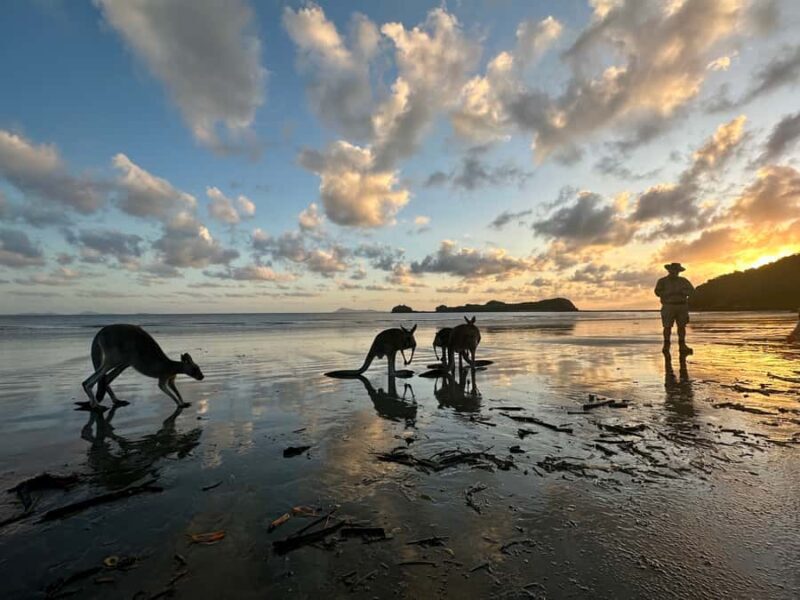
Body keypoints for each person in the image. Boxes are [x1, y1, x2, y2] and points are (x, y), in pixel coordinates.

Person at [654, 262, 694, 356]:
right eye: (673, 270)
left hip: (682, 305)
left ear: (679, 271)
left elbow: (692, 291)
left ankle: (682, 345)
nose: (675, 272)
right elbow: (657, 292)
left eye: (676, 271)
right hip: (668, 305)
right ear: (669, 270)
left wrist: (683, 292)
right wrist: (667, 293)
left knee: (682, 326)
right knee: (667, 326)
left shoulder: (683, 281)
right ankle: (666, 346)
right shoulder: (662, 281)